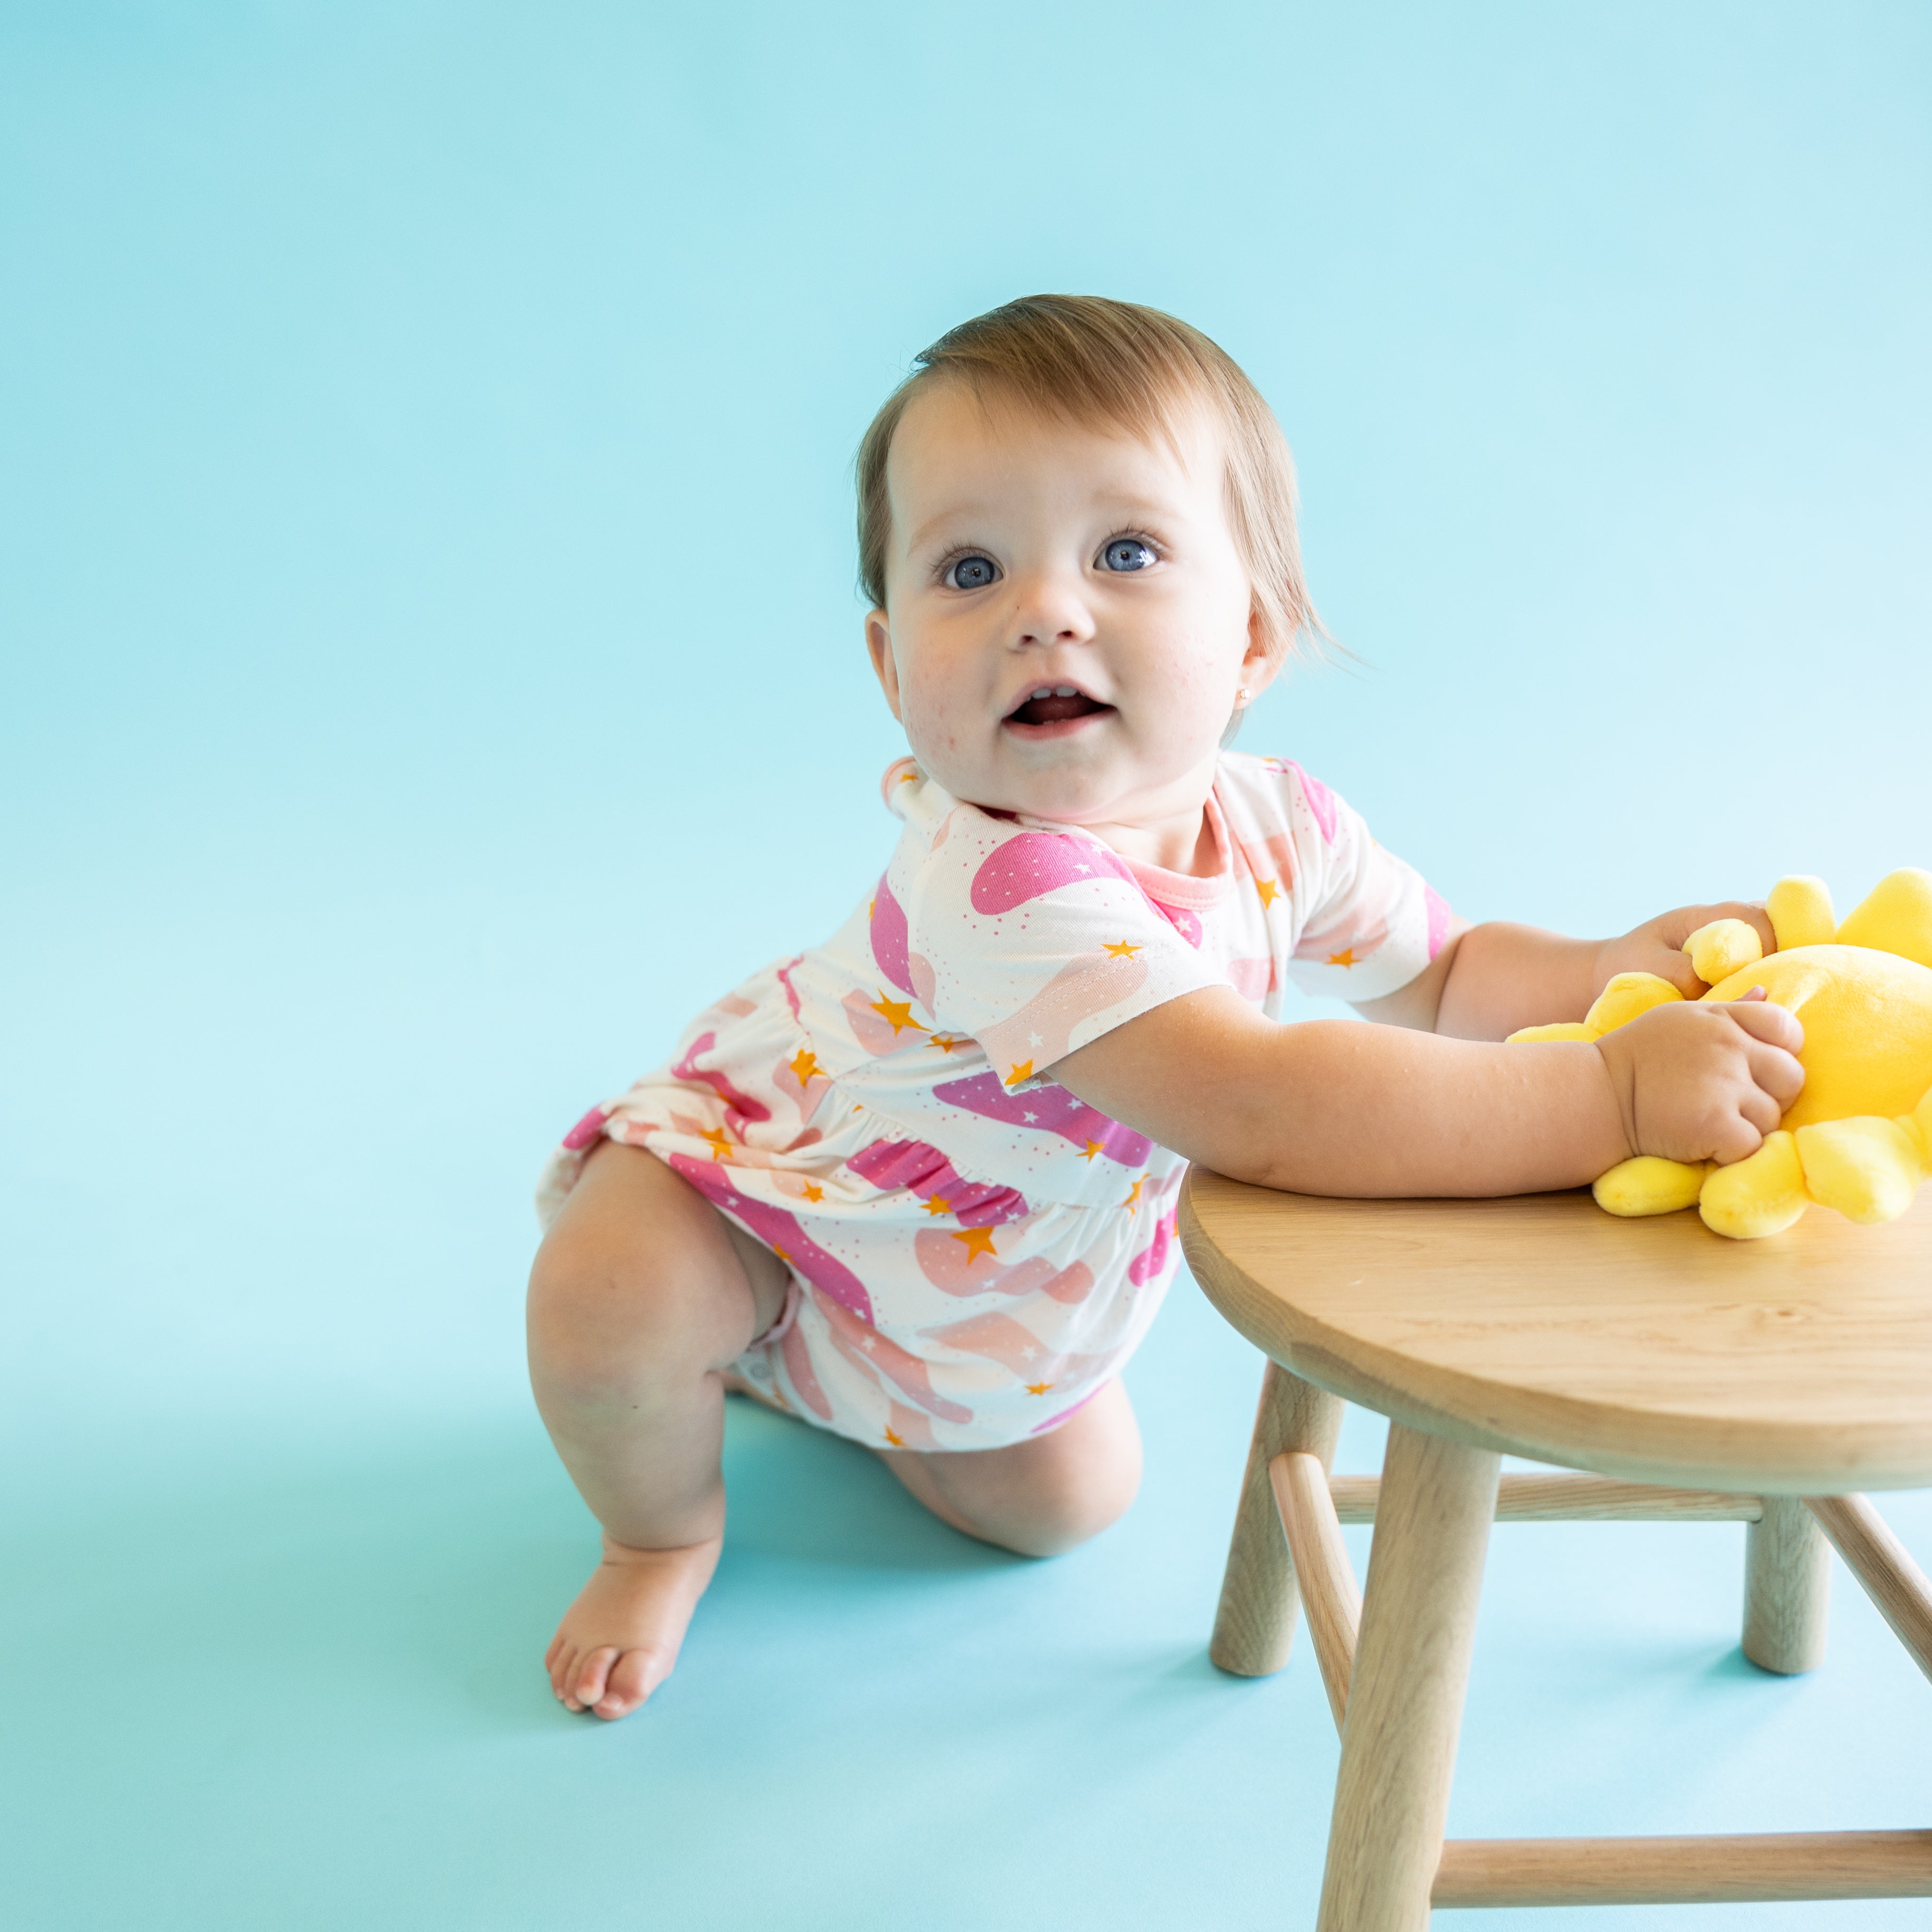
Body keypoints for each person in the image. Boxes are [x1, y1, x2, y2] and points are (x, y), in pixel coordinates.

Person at [525, 295, 1803, 1721]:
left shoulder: (1279, 823)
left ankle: (814, 1372)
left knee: (1065, 1505)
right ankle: (662, 1523)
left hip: (972, 1276)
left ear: (1252, 637)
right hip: (787, 1180)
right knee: (610, 1298)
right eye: (969, 568)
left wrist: (1606, 969)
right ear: (893, 671)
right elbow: (1259, 1104)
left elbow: (1445, 978)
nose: (1046, 610)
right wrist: (1610, 1097)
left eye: (1125, 552)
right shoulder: (1002, 884)